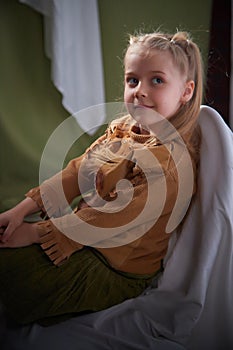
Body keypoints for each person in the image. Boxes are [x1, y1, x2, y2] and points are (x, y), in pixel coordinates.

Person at [0, 30, 203, 326]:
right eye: (132, 80)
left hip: (115, 267)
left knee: (14, 277)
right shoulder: (122, 129)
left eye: (156, 80)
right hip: (83, 234)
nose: (140, 91)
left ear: (186, 92)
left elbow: (115, 219)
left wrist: (35, 233)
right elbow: (78, 170)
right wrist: (19, 212)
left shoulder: (170, 165)